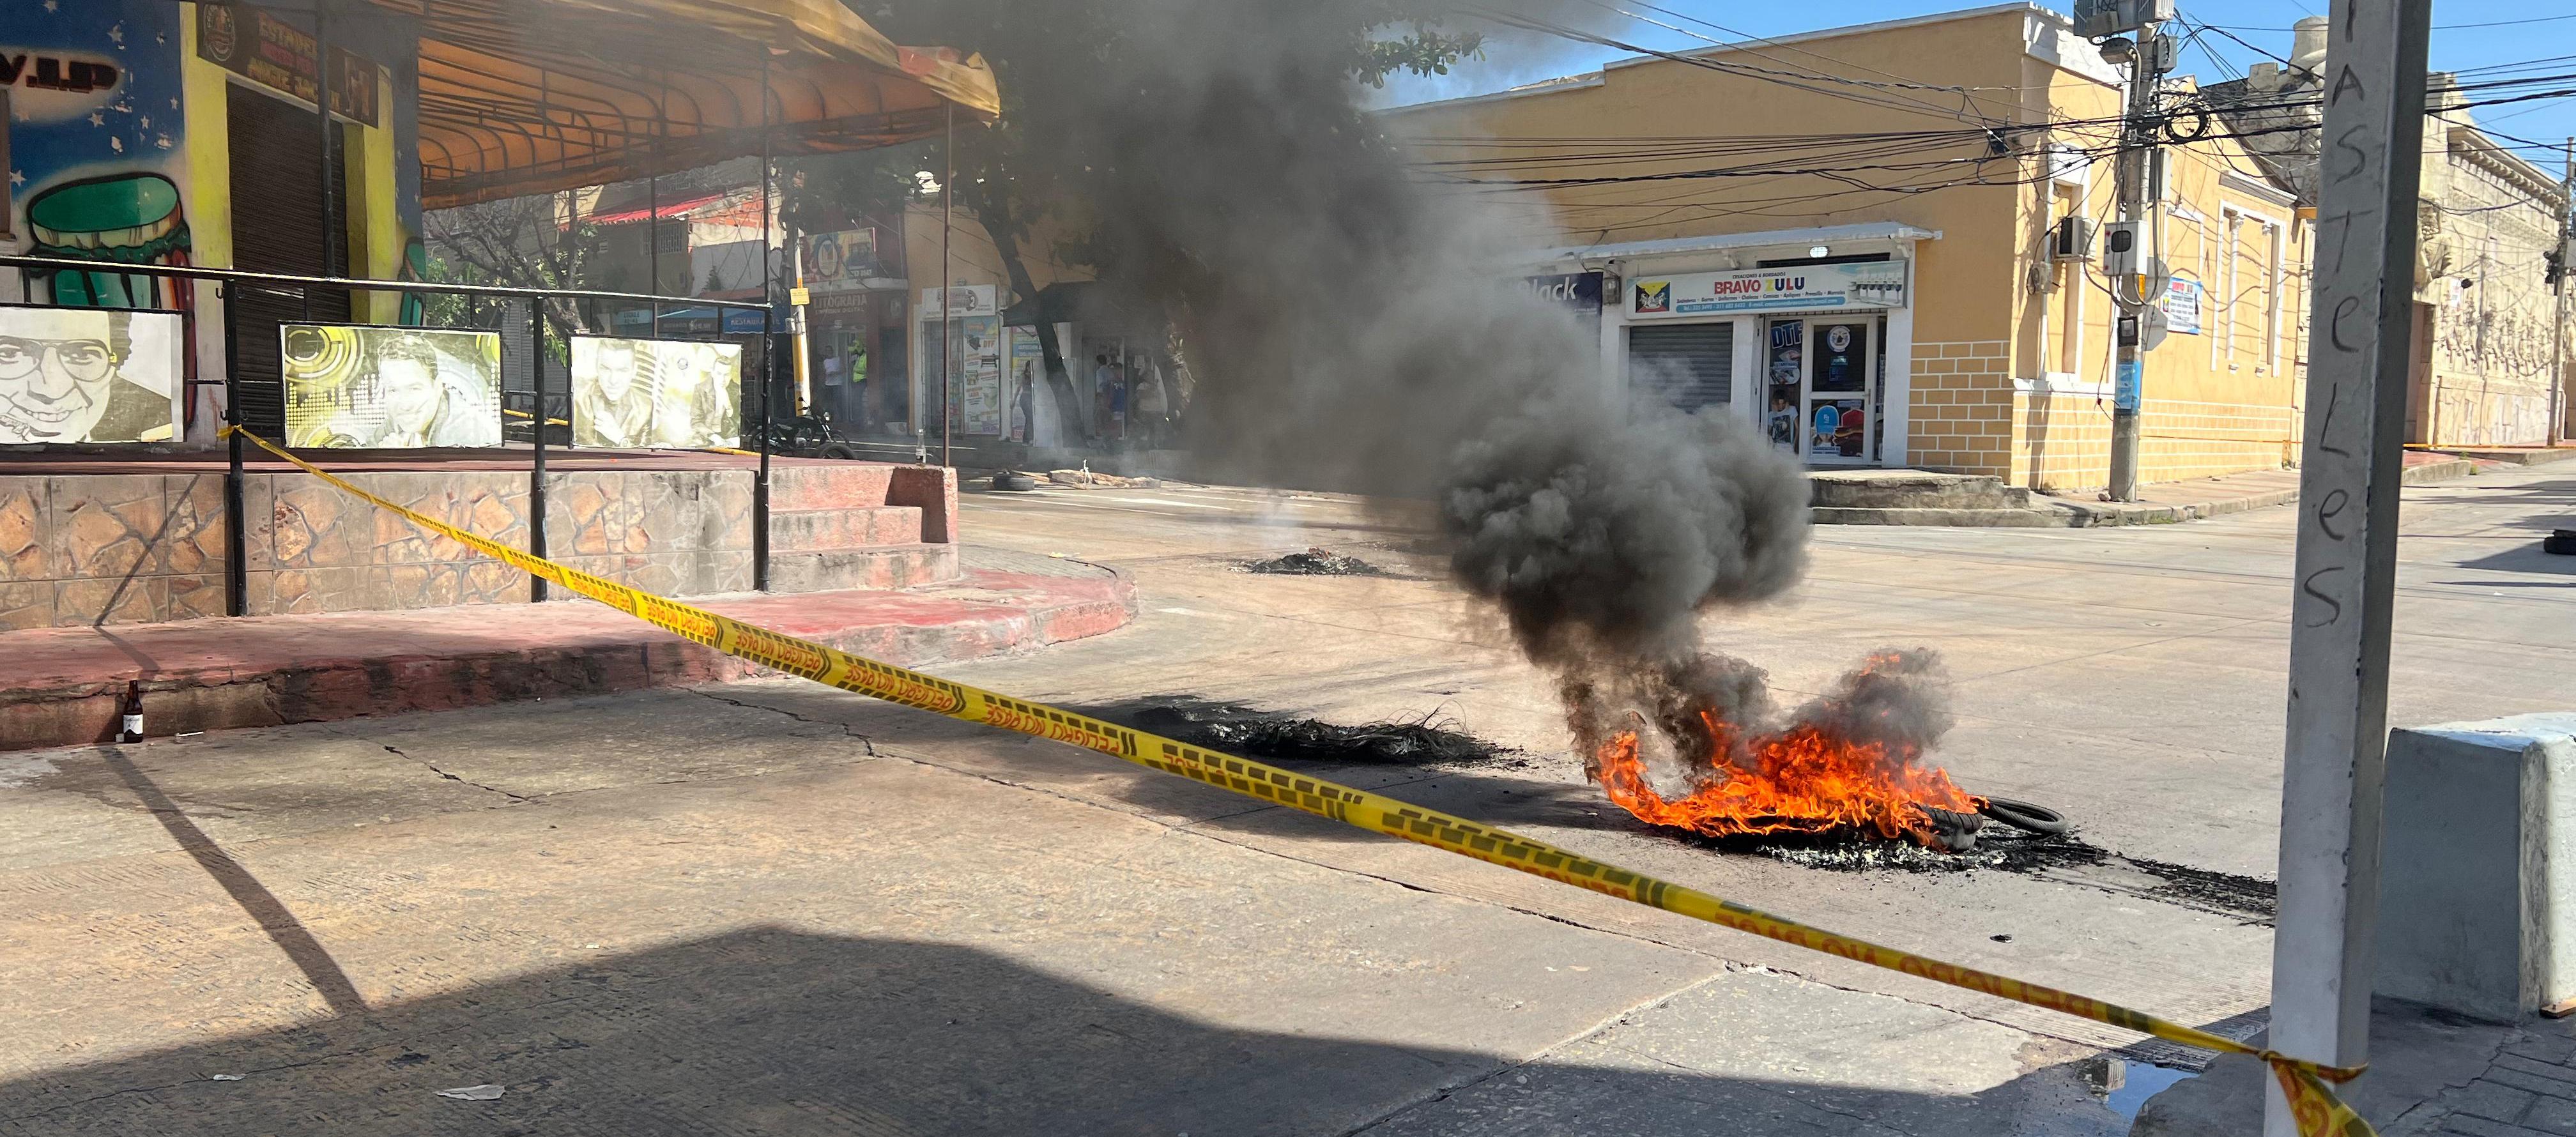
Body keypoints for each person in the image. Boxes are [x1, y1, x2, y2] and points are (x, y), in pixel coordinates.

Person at [0, 307, 172, 443]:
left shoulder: (163, 424)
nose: (51, 391)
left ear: (113, 367)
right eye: (10, 354)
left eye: (81, 356)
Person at [362, 333, 496, 448]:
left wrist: (402, 460)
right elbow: (365, 448)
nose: (404, 405)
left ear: (438, 387)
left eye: (414, 389)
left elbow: (447, 477)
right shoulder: (401, 419)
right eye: (393, 390)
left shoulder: (466, 433)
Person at [574, 338, 654, 448]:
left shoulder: (645, 406)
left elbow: (646, 455)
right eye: (606, 369)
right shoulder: (579, 397)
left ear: (634, 371)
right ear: (597, 367)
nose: (613, 380)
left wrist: (620, 438)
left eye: (622, 371)